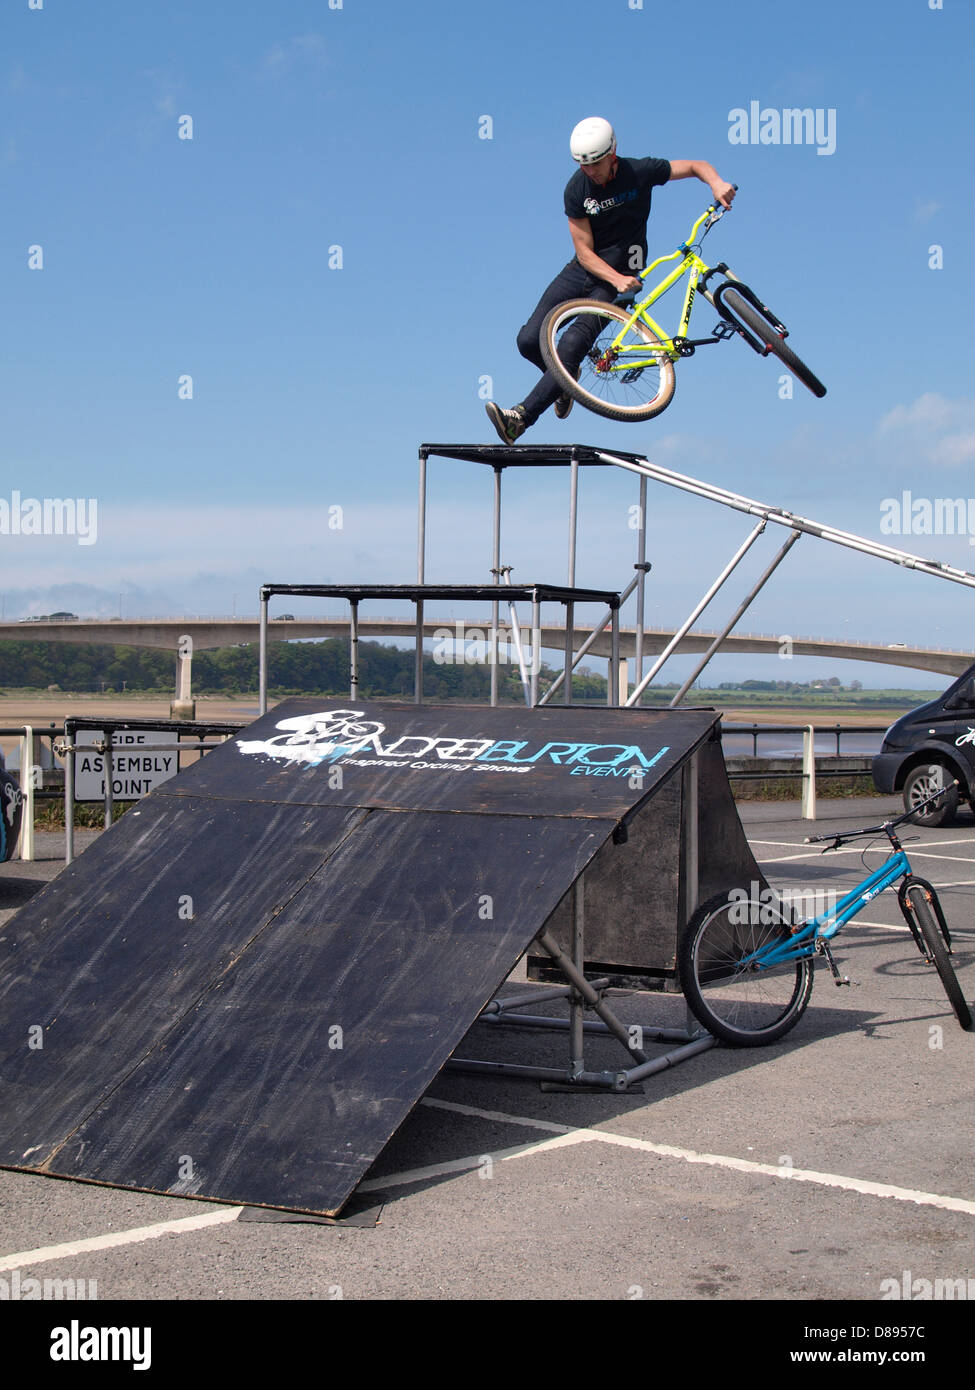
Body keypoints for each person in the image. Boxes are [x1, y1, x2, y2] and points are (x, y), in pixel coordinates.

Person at [485, 116, 736, 443]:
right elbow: (585, 251)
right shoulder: (576, 190)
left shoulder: (639, 171)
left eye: (596, 164)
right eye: (582, 165)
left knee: (572, 342)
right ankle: (565, 379)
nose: (590, 172)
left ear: (612, 154)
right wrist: (613, 277)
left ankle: (519, 418)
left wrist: (716, 183)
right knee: (529, 340)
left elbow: (695, 166)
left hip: (623, 275)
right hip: (586, 269)